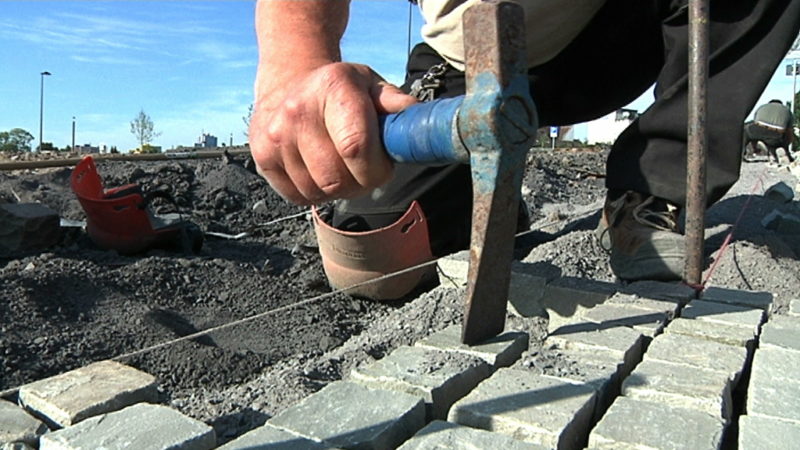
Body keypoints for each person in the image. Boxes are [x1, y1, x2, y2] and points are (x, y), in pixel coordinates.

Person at [250, 0, 800, 300]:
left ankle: (653, 192)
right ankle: (497, 207)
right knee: (372, 261)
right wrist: (295, 60)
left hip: (626, 30)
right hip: (473, 55)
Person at [743, 99, 796, 164]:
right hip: (776, 134)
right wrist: (786, 145)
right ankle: (775, 152)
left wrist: (755, 148)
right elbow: (789, 132)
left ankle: (741, 155)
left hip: (757, 130)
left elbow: (755, 122)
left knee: (747, 130)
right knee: (775, 140)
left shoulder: (762, 107)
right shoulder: (787, 110)